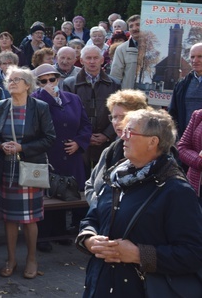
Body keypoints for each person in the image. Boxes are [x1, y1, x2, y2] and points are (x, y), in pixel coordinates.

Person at [76, 109, 202, 297]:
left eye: (130, 132)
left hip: (143, 289)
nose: (123, 138)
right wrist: (89, 240)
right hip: (100, 284)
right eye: (123, 131)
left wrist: (139, 254)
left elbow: (193, 253)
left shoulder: (176, 191)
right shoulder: (116, 177)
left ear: (153, 141)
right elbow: (92, 218)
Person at [0, 67, 55, 280]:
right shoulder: (0, 106)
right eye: (9, 79)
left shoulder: (40, 107)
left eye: (17, 80)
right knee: (9, 218)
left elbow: (49, 138)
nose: (12, 83)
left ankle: (31, 259)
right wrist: (1, 146)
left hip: (30, 169)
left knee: (30, 218)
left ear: (28, 85)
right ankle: (11, 259)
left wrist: (22, 148)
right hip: (6, 170)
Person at [31, 64, 92, 252]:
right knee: (47, 194)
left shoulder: (72, 99)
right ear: (37, 83)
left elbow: (85, 125)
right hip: (49, 156)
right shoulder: (35, 100)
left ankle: (61, 232)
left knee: (67, 192)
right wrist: (46, 97)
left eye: (52, 79)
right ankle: (43, 236)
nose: (49, 83)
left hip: (71, 156)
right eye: (44, 80)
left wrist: (79, 143)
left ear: (59, 79)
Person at [84, 90, 150, 207]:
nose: (117, 122)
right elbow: (90, 184)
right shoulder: (110, 151)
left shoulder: (149, 153)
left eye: (123, 117)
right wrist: (98, 206)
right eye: (114, 117)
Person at [64, 45, 121, 170]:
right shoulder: (69, 84)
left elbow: (120, 114)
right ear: (82, 60)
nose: (92, 61)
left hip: (106, 141)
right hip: (78, 142)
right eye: (88, 58)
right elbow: (68, 115)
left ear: (102, 60)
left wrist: (107, 135)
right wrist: (84, 136)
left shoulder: (115, 84)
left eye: (96, 58)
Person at [168, 42, 202, 138]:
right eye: (192, 57)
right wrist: (177, 138)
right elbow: (172, 113)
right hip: (185, 141)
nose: (195, 60)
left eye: (200, 56)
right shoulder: (181, 85)